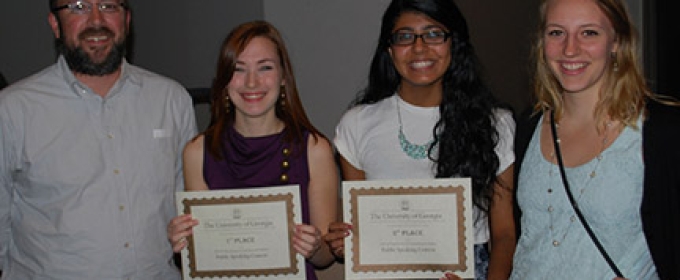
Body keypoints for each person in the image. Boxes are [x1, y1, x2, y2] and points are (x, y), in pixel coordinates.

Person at [0, 0, 197, 279]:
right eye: (78, 6)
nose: (96, 20)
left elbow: (189, 206)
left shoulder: (171, 100)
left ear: (126, 21)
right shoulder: (12, 110)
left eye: (108, 6)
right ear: (55, 24)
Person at [325, 0, 517, 279]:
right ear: (389, 50)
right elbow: (362, 230)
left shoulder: (494, 123)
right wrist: (346, 242)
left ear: (454, 43)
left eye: (434, 34)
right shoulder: (356, 125)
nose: (419, 47)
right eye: (405, 37)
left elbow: (504, 235)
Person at [511, 0, 680, 279]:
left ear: (616, 41)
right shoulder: (528, 125)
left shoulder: (662, 133)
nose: (570, 49)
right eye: (556, 33)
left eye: (589, 33)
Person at [166, 20, 338, 280]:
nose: (251, 82)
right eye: (238, 69)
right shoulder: (198, 152)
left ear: (283, 77)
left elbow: (326, 255)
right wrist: (185, 245)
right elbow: (205, 254)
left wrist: (314, 247)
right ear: (224, 81)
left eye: (265, 67)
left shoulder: (314, 149)